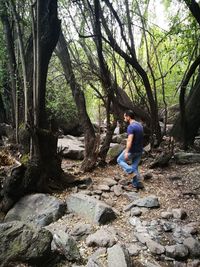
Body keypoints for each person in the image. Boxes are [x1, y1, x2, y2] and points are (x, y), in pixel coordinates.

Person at [117, 110, 144, 190]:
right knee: (135, 166)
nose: (124, 118)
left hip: (132, 150)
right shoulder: (140, 125)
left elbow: (129, 140)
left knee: (119, 160)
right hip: (139, 150)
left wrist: (126, 151)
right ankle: (135, 184)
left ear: (128, 117)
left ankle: (130, 171)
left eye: (125, 116)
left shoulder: (131, 127)